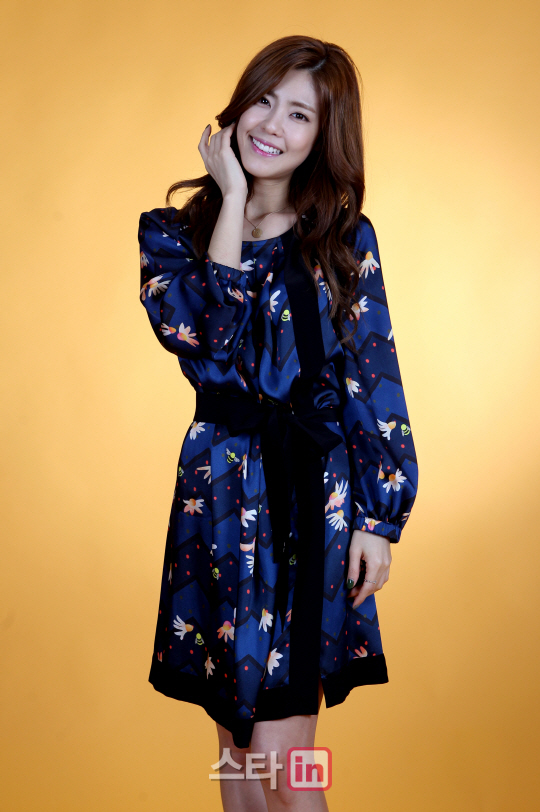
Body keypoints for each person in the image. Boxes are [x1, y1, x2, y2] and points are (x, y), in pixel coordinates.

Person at [138, 34, 418, 812]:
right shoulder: (173, 235)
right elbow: (210, 339)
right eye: (264, 100)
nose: (273, 125)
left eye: (300, 114)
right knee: (235, 755)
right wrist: (232, 203)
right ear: (239, 104)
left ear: (322, 135)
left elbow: (372, 376)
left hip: (309, 504)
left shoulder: (341, 239)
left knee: (285, 761)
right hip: (219, 502)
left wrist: (379, 519)